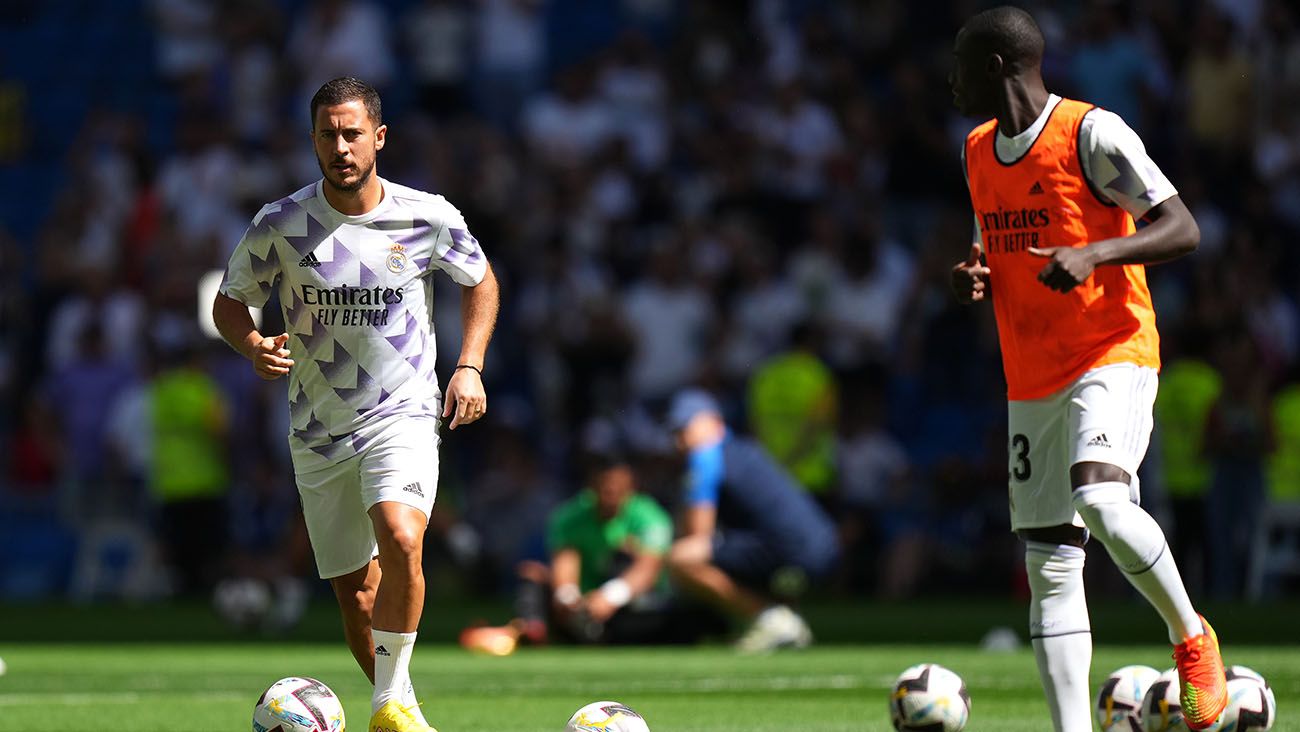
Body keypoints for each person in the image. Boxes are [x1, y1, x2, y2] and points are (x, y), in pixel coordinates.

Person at [948, 8, 1226, 731]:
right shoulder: (978, 149)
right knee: (1050, 562)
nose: (947, 79)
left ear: (996, 67)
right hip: (1031, 372)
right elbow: (995, 241)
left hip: (1111, 348)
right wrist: (975, 272)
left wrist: (1096, 253)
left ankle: (1191, 635)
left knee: (1100, 501)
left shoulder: (1091, 133)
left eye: (960, 64)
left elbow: (1182, 226)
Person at [212, 77, 499, 732]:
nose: (340, 147)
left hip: (402, 414)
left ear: (379, 137)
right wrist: (253, 342)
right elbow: (230, 301)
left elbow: (481, 283)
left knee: (401, 535)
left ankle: (390, 705)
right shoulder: (281, 223)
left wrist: (470, 366)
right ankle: (402, 713)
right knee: (356, 596)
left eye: (352, 133)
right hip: (317, 430)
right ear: (313, 140)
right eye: (327, 134)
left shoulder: (427, 215)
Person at [664, 389, 838, 652]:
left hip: (788, 550)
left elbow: (699, 534)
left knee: (681, 558)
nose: (680, 441)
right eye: (675, 432)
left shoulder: (706, 456)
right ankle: (785, 624)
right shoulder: (747, 448)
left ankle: (771, 619)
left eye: (686, 427)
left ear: (714, 422)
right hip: (825, 547)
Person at [459, 455, 686, 654]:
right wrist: (568, 596)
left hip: (636, 607)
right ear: (593, 487)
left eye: (617, 490)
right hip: (583, 608)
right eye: (605, 489)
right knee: (532, 575)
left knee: (624, 562)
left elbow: (648, 569)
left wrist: (610, 596)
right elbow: (566, 561)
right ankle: (534, 632)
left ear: (631, 488)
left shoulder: (650, 517)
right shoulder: (571, 516)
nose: (611, 496)